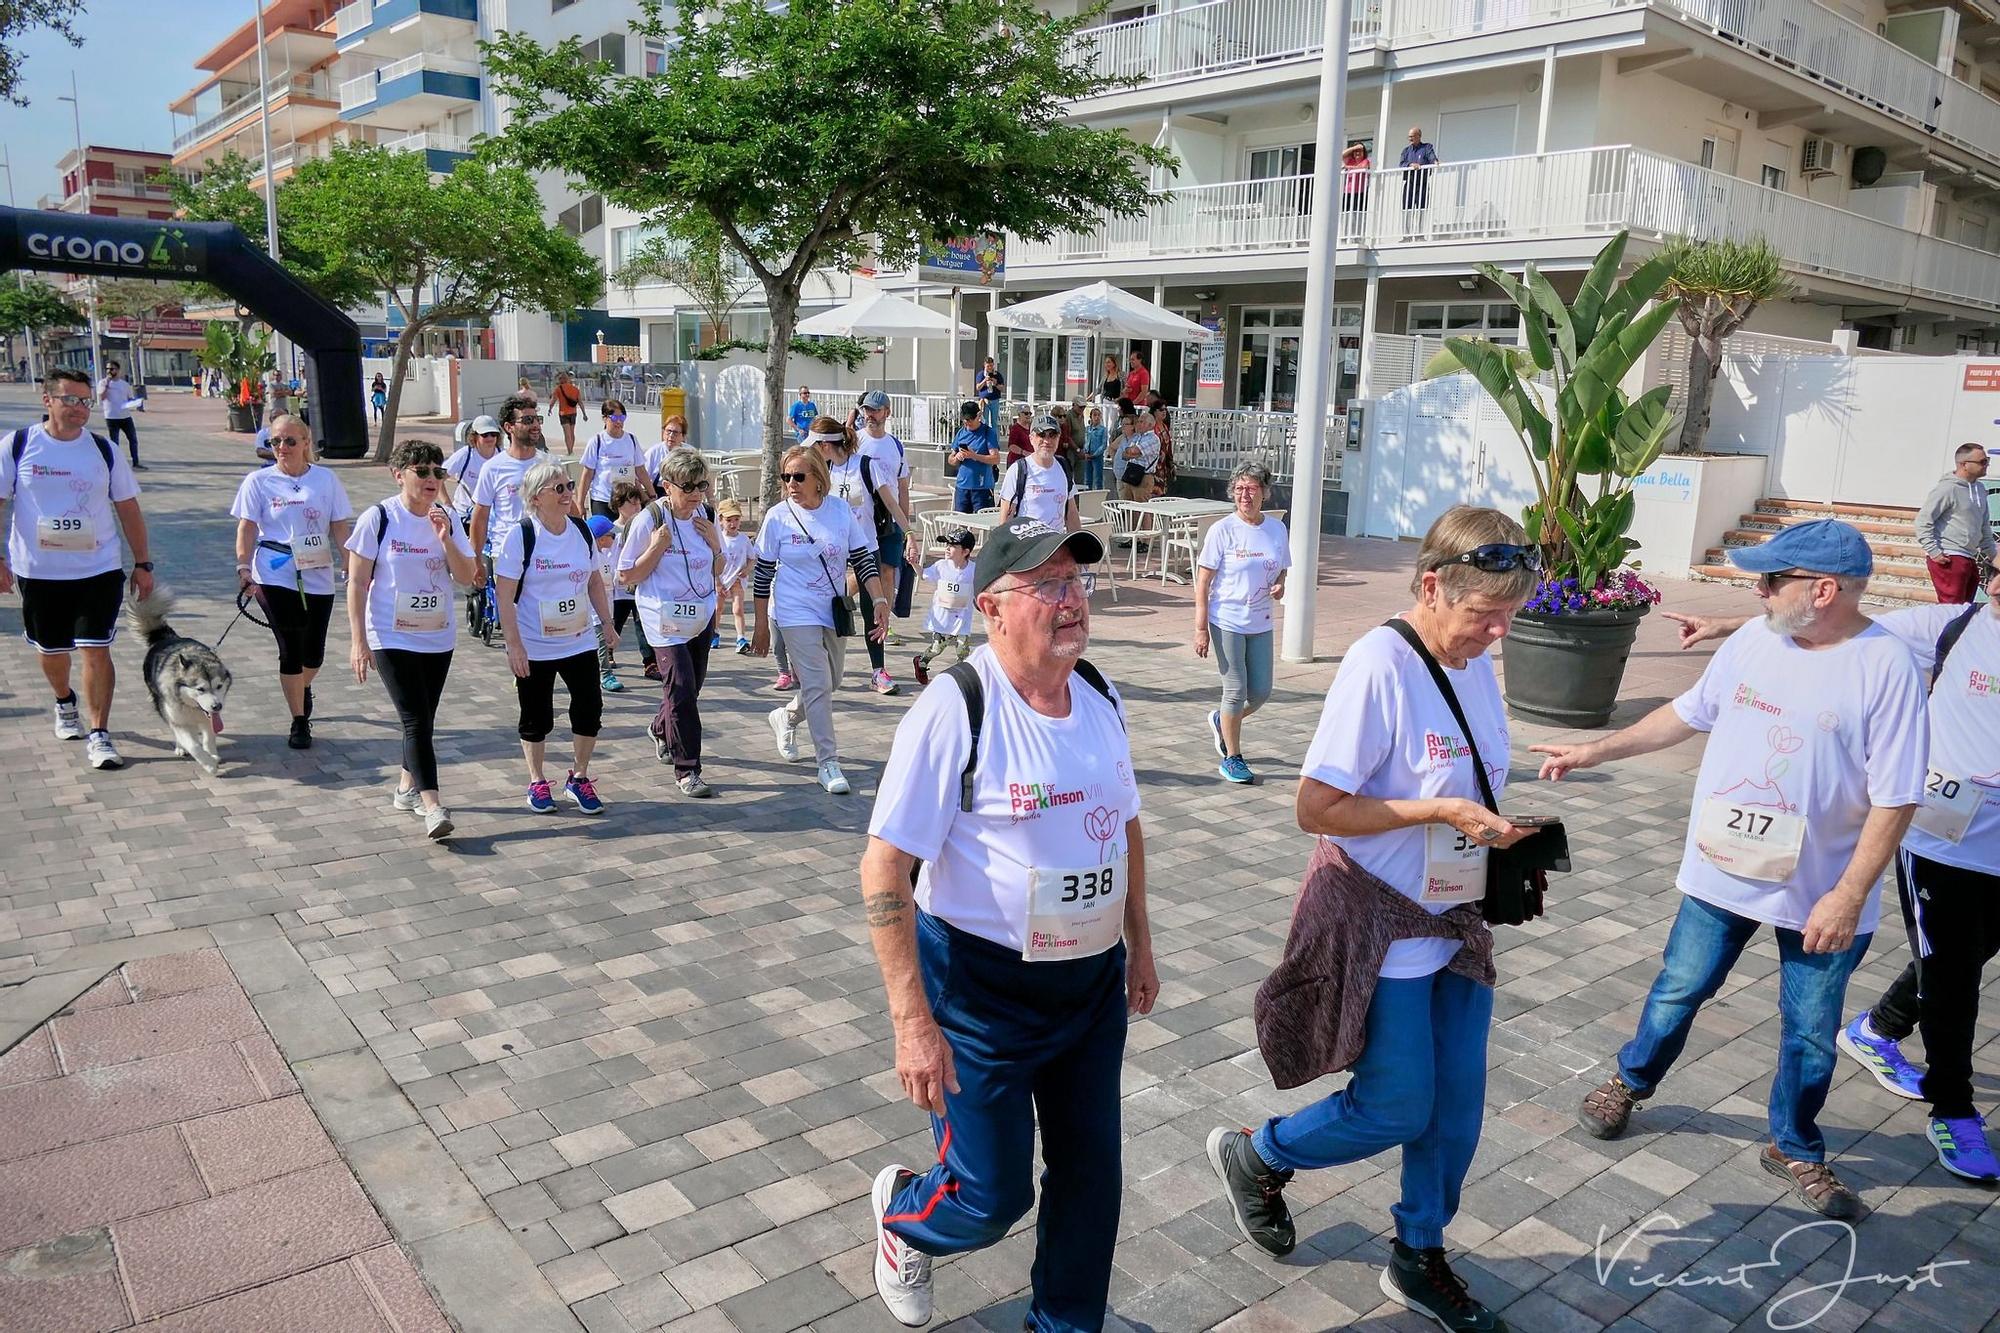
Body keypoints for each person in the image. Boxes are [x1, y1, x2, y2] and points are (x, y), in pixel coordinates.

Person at [1207, 505, 1538, 1332]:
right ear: (1432, 586)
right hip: (1378, 918)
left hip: (1454, 913)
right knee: (1397, 1103)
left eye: (1507, 616)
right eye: (1482, 614)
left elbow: (1469, 776)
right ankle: (1259, 1154)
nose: (1495, 633)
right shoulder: (1380, 664)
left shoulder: (1473, 662)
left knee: (1456, 1105)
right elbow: (1316, 806)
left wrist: (1500, 830)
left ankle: (1418, 1252)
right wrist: (1438, 807)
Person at [1538, 520, 1928, 1218]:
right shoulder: (1755, 639)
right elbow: (1687, 714)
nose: (1759, 590)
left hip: (1820, 895)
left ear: (1824, 588)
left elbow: (1896, 796)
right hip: (1723, 874)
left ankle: (1795, 1145)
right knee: (1678, 988)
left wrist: (1848, 893)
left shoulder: (1886, 666)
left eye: (1772, 579)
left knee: (1810, 1031)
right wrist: (1594, 751)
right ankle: (1631, 1080)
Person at [860, 515, 1154, 1333]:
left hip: (1089, 989)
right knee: (991, 1196)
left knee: (1092, 1176)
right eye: (1048, 585)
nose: (1071, 601)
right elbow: (883, 866)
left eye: (1077, 582)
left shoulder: (1098, 692)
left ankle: (1064, 1323)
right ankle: (902, 1215)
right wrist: (912, 1022)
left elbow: (1123, 820)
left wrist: (1140, 944)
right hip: (981, 997)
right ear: (990, 605)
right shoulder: (957, 707)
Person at [1668, 568, 2000, 1183]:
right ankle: (1953, 1109)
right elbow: (1826, 624)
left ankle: (1878, 1030)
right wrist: (1720, 625)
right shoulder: (1950, 625)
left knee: (1966, 956)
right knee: (1953, 969)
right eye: (1999, 571)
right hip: (1944, 838)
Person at [0, 368, 154, 770]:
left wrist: (142, 563)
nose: (79, 409)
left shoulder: (103, 450)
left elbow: (128, 507)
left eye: (85, 401)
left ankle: (100, 732)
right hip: (39, 571)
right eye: (69, 399)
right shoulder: (18, 446)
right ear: (46, 400)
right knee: (52, 651)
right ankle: (64, 701)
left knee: (96, 649)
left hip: (98, 568)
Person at [345, 439, 480, 841]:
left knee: (422, 719)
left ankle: (406, 788)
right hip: (390, 633)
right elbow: (356, 581)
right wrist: (358, 640)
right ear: (398, 473)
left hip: (438, 634)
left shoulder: (447, 516)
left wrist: (443, 538)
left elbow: (466, 574)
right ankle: (433, 806)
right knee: (416, 720)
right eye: (422, 471)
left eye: (437, 472)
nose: (431, 479)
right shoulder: (379, 518)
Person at [750, 444, 889, 795]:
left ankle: (787, 716)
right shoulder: (777, 517)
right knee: (816, 683)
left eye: (799, 476)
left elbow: (862, 559)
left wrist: (880, 598)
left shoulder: (841, 512)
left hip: (832, 608)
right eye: (786, 477)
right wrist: (761, 626)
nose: (791, 484)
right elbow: (763, 573)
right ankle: (827, 762)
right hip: (794, 611)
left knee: (832, 680)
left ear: (818, 479)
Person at [495, 461, 614, 815]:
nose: (567, 494)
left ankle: (579, 778)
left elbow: (594, 579)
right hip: (535, 643)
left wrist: (606, 622)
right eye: (558, 489)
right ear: (536, 497)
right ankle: (536, 781)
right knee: (536, 716)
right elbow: (504, 595)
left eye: (568, 485)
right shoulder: (522, 535)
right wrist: (514, 644)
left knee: (590, 709)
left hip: (577, 640)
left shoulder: (580, 530)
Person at [231, 414, 354, 749]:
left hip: (317, 570)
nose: (282, 448)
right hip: (273, 569)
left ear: (305, 442)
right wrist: (243, 566)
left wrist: (351, 566)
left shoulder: (326, 480)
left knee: (313, 654)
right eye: (275, 442)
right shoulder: (259, 482)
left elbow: (340, 527)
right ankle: (299, 720)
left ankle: (303, 684)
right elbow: (247, 527)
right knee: (290, 643)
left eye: (289, 441)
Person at [621, 449, 726, 799]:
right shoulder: (649, 520)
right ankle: (688, 769)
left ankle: (658, 727)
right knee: (680, 688)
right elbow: (627, 576)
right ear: (667, 486)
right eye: (688, 486)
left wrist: (715, 545)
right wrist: (655, 549)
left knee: (690, 689)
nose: (696, 493)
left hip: (700, 615)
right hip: (662, 617)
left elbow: (718, 569)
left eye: (702, 485)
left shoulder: (706, 516)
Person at [1194, 462, 1290, 784]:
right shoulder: (1223, 530)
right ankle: (1232, 757)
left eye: (1251, 488)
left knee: (1261, 692)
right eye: (1239, 489)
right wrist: (1200, 627)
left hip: (1261, 621)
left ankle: (1223, 721)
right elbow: (1203, 580)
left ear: (1264, 492)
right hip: (1227, 620)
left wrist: (1280, 584)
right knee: (1235, 690)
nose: (1244, 495)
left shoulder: (1276, 529)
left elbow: (1281, 569)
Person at [814, 416, 901, 695]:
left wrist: (909, 533)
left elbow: (890, 502)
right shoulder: (823, 470)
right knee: (824, 605)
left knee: (871, 608)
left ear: (826, 445)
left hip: (866, 546)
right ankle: (816, 667)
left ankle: (878, 671)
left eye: (815, 444)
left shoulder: (866, 466)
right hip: (832, 549)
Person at [854, 389, 913, 628]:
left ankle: (883, 622)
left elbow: (902, 486)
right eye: (867, 409)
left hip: (889, 516)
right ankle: (839, 602)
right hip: (862, 515)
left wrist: (906, 525)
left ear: (887, 413)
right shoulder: (855, 441)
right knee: (864, 569)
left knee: (888, 569)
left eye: (875, 410)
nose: (870, 414)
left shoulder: (895, 446)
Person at [469, 395, 548, 560]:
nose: (535, 425)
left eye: (536, 419)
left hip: (546, 555)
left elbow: (567, 507)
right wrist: (476, 559)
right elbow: (481, 516)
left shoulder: (549, 464)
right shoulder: (493, 468)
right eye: (527, 420)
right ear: (509, 427)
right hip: (506, 555)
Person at [1914, 443, 1992, 605]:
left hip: (1969, 556)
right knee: (1951, 609)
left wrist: (1994, 556)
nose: (1987, 465)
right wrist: (1934, 552)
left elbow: (1984, 528)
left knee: (1964, 609)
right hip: (1949, 556)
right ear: (1964, 465)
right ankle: (1944, 631)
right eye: (1982, 462)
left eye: (1987, 460)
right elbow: (1923, 521)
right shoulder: (1947, 489)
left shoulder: (1980, 489)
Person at [602, 481, 656, 681]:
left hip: (640, 584)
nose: (637, 507)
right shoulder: (612, 530)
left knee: (643, 624)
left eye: (638, 503)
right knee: (615, 622)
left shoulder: (644, 527)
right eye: (632, 503)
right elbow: (608, 558)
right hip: (618, 588)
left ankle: (650, 662)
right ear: (618, 505)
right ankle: (607, 652)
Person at [909, 529, 975, 687]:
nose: (947, 548)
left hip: (962, 620)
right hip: (943, 618)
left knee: (963, 650)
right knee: (937, 648)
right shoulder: (941, 566)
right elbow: (923, 574)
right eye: (947, 544)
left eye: (953, 545)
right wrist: (913, 563)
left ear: (965, 551)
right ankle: (921, 662)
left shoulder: (973, 569)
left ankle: (963, 679)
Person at [997, 413, 1081, 531]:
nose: (1047, 441)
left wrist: (1078, 545)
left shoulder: (1064, 467)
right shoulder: (1018, 470)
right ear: (1031, 438)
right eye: (1041, 435)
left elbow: (1071, 513)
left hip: (1056, 545)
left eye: (1052, 435)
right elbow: (1005, 520)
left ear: (1058, 438)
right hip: (1027, 546)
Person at [577, 397, 654, 518]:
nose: (619, 422)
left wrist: (652, 495)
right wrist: (580, 503)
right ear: (604, 418)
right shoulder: (596, 441)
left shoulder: (631, 440)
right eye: (614, 418)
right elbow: (587, 475)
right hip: (603, 498)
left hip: (627, 500)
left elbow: (640, 470)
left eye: (622, 418)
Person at [442, 414, 503, 536]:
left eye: (494, 434)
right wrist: (448, 505)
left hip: (493, 520)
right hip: (464, 518)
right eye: (485, 435)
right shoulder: (465, 455)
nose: (490, 438)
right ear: (474, 436)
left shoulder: (503, 456)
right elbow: (438, 478)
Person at [587, 514, 626, 693]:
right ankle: (606, 675)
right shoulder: (589, 558)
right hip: (594, 615)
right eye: (612, 535)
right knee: (602, 644)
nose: (614, 538)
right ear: (602, 538)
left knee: (600, 644)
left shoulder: (603, 556)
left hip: (606, 611)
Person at [949, 400, 1002, 514]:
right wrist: (957, 457)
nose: (968, 422)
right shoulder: (961, 433)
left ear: (978, 416)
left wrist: (974, 456)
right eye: (965, 419)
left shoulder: (988, 432)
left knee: (984, 522)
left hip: (982, 487)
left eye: (970, 419)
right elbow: (951, 460)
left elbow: (996, 458)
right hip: (962, 486)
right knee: (961, 523)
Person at [716, 498, 753, 652]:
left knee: (738, 609)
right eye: (729, 520)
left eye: (736, 519)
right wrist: (717, 582)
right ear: (721, 520)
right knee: (717, 608)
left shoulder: (743, 539)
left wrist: (747, 570)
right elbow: (712, 560)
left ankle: (741, 637)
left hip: (737, 579)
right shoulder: (718, 539)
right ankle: (715, 632)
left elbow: (752, 558)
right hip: (721, 579)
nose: (733, 524)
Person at [98, 360, 143, 471]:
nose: (109, 371)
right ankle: (115, 464)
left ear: (118, 370)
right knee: (114, 442)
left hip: (125, 416)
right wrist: (107, 384)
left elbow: (129, 398)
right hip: (111, 416)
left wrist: (135, 402)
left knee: (132, 439)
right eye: (108, 369)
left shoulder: (124, 385)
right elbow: (102, 397)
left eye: (112, 369)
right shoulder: (103, 383)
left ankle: (136, 462)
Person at [1116, 404, 1163, 503]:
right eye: (1138, 422)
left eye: (1142, 422)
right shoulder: (1137, 437)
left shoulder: (1153, 439)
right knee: (1127, 506)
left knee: (1141, 509)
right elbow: (1125, 454)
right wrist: (1134, 453)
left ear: (1150, 425)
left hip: (1144, 476)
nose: (1138, 424)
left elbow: (1134, 451)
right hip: (1131, 472)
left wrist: (1134, 452)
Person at [1400, 126, 1439, 226]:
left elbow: (1431, 157)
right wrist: (1410, 165)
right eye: (1409, 137)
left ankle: (1420, 235)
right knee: (1407, 210)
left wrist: (1435, 162)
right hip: (1410, 184)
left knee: (1422, 209)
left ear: (1419, 136)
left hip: (1422, 184)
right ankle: (1406, 236)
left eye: (1412, 136)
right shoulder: (1406, 151)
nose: (1410, 139)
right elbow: (1401, 164)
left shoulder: (1426, 147)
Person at [644, 415, 692, 487]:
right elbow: (642, 477)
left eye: (675, 432)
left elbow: (704, 477)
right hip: (658, 493)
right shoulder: (653, 452)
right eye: (668, 431)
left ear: (683, 436)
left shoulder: (691, 452)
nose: (671, 435)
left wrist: (711, 498)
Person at [551, 371, 586, 455]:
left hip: (563, 413)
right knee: (572, 432)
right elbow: (580, 402)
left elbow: (553, 400)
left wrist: (550, 408)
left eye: (559, 379)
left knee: (567, 434)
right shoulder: (575, 389)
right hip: (573, 412)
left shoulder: (558, 389)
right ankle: (571, 449)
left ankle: (569, 451)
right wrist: (584, 414)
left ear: (561, 379)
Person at [975, 356, 1006, 434]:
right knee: (984, 421)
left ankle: (994, 441)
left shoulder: (997, 374)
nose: (990, 367)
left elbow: (1002, 388)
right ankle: (985, 439)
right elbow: (978, 387)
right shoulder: (981, 374)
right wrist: (984, 380)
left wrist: (995, 383)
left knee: (994, 422)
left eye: (991, 365)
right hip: (985, 401)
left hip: (995, 400)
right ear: (984, 365)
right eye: (988, 366)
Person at [1082, 405, 1108, 492]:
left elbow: (1103, 445)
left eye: (1098, 415)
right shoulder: (1087, 429)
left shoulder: (1103, 430)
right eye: (1094, 415)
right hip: (1087, 455)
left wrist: (1095, 454)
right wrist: (1085, 452)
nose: (1097, 417)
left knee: (1098, 479)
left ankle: (1098, 497)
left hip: (1097, 456)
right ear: (1091, 417)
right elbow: (1084, 441)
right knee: (1087, 479)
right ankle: (1088, 495)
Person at [1342, 140, 1372, 214]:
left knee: (1358, 214)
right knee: (1346, 213)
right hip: (1348, 192)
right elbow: (1342, 155)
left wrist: (1347, 167)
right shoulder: (1350, 160)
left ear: (1363, 152)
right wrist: (1354, 147)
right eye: (1356, 151)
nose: (1357, 153)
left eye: (1360, 151)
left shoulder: (1365, 161)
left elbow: (1362, 168)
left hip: (1359, 193)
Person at [1098, 353, 1122, 419]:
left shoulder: (1120, 375)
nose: (1107, 364)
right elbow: (1098, 389)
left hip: (1115, 402)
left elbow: (1125, 388)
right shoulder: (1105, 376)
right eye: (1105, 363)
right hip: (1105, 401)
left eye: (1109, 362)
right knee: (1105, 422)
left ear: (1114, 364)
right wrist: (1087, 399)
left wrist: (1120, 398)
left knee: (1112, 423)